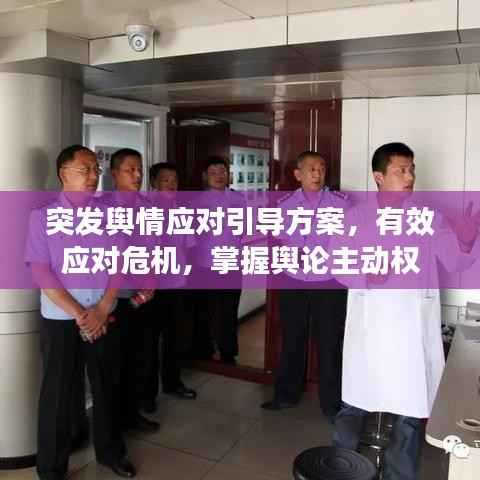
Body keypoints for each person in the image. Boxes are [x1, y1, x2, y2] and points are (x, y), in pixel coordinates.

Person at [332, 142, 480, 480]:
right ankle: (342, 470)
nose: (410, 176)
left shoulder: (428, 219)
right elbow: (336, 264)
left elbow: (455, 261)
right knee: (354, 407)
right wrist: (366, 275)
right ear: (379, 177)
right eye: (401, 170)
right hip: (370, 331)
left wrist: (467, 240)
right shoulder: (355, 218)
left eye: (412, 169)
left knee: (409, 416)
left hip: (411, 333)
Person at [25, 145, 136, 480]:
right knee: (57, 394)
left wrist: (102, 308)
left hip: (103, 315)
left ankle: (111, 453)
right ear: (64, 174)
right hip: (61, 320)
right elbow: (41, 271)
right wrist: (80, 314)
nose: (93, 176)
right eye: (84, 169)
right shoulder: (42, 218)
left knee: (107, 387)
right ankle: (51, 468)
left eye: (95, 170)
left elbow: (120, 263)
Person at [261, 151, 348, 423]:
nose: (317, 174)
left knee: (329, 342)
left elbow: (349, 240)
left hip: (329, 282)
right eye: (311, 169)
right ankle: (286, 395)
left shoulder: (340, 204)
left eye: (321, 168)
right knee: (292, 338)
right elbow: (281, 238)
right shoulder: (284, 205)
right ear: (298, 174)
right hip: (294, 280)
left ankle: (332, 404)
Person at [109, 148, 159, 432]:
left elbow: (153, 248)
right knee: (115, 360)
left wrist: (150, 281)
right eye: (130, 169)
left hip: (143, 295)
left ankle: (132, 414)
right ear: (114, 174)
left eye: (139, 169)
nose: (137, 175)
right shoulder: (101, 208)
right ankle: (113, 420)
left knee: (140, 356)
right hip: (113, 297)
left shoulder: (148, 207)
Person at [142, 163, 197, 413]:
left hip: (176, 283)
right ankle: (147, 395)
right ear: (154, 183)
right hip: (150, 287)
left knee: (175, 337)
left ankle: (173, 383)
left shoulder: (181, 211)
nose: (171, 184)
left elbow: (188, 246)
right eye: (165, 180)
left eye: (174, 179)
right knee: (149, 342)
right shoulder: (144, 209)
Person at [191, 156, 245, 364]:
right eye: (213, 172)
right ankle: (204, 350)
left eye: (222, 171)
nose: (219, 176)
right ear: (205, 176)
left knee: (229, 310)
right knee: (206, 310)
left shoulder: (238, 198)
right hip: (205, 264)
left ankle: (228, 353)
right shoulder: (197, 201)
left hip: (232, 263)